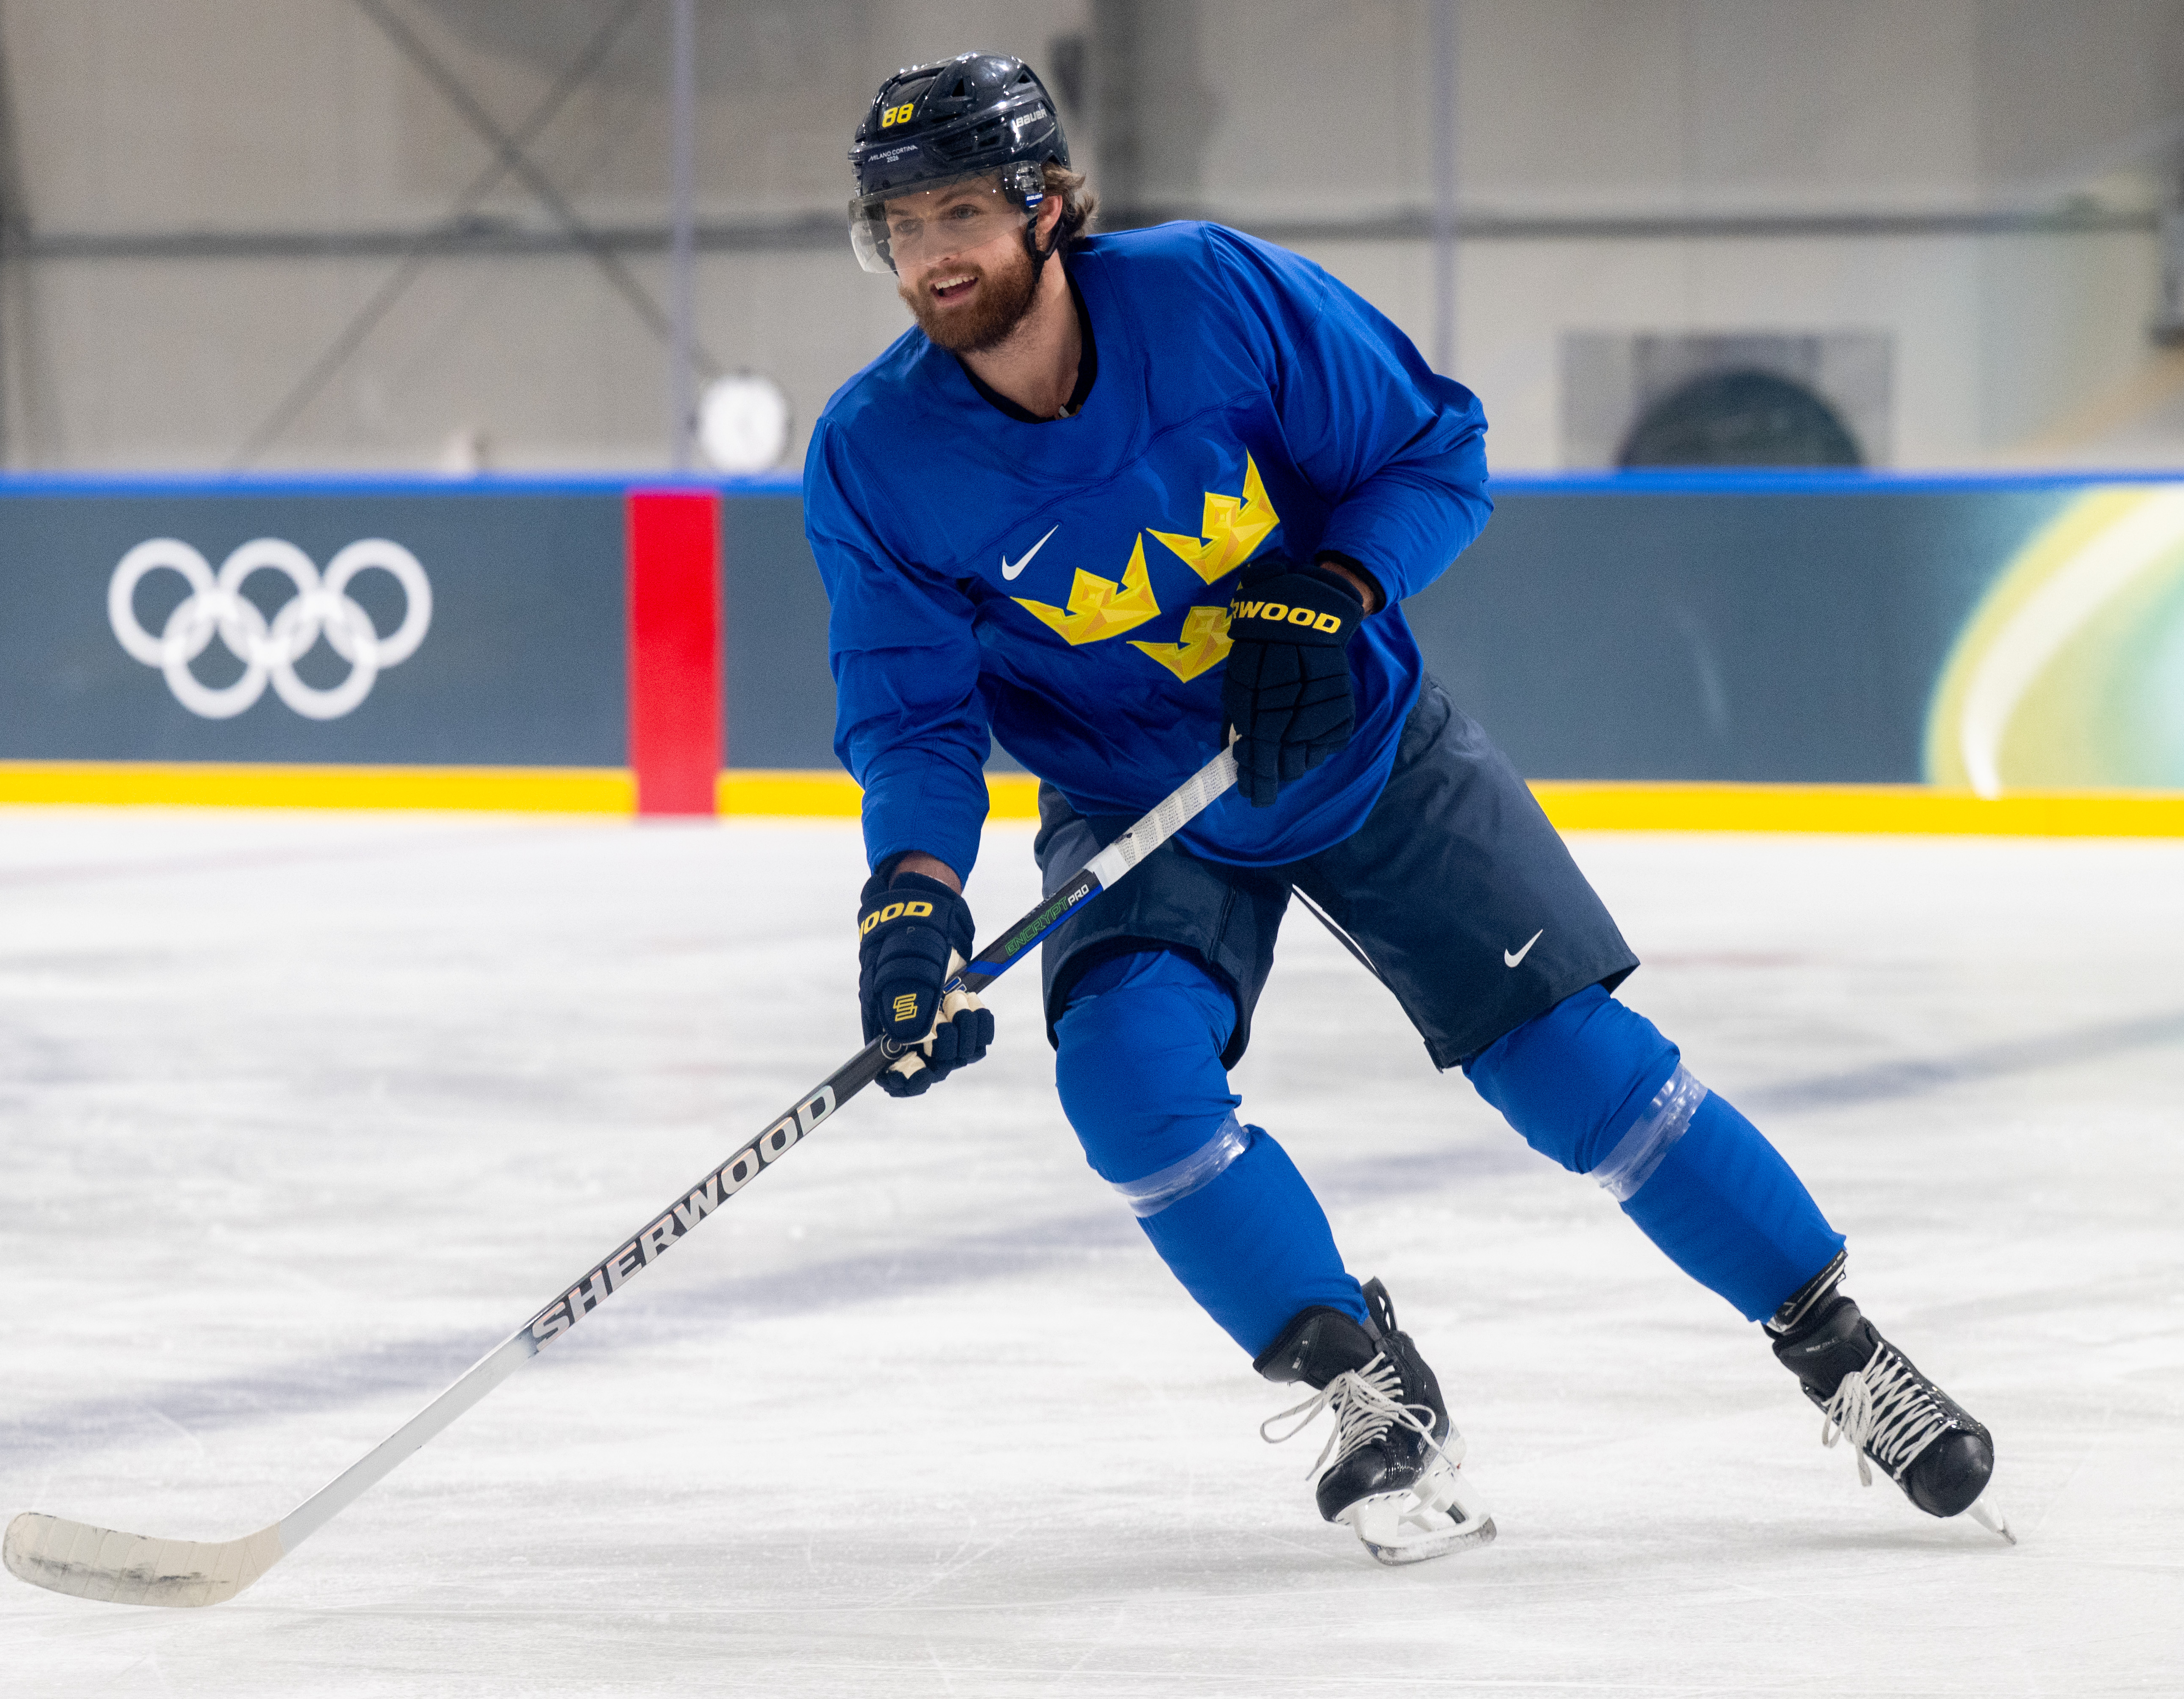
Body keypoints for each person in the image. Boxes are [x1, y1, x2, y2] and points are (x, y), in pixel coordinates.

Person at [805, 52, 2006, 1563]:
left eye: (963, 210)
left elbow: (1438, 448)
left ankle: (1841, 1350)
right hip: (1139, 803)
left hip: (1366, 746)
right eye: (900, 226)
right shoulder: (875, 456)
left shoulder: (1215, 299)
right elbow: (912, 712)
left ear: (1053, 208)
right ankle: (1365, 1382)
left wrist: (1333, 591)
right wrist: (910, 895)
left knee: (1577, 1070)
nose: (931, 257)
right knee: (1123, 1072)